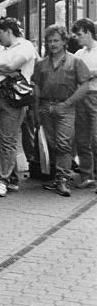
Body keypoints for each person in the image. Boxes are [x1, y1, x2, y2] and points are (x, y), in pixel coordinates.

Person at [0, 17, 38, 197]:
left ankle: (3, 180)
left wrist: (0, 67)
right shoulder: (0, 49)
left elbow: (12, 65)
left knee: (8, 140)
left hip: (13, 98)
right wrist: (6, 69)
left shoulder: (26, 46)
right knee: (0, 140)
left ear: (8, 31)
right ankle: (12, 179)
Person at [32, 24, 89, 197]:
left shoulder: (75, 61)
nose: (53, 44)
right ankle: (57, 177)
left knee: (64, 143)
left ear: (64, 41)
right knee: (52, 144)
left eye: (56, 40)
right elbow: (36, 87)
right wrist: (35, 111)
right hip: (45, 107)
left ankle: (63, 179)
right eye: (49, 41)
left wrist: (69, 103)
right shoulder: (41, 63)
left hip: (66, 107)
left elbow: (85, 85)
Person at [70, 18, 97, 190]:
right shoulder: (79, 54)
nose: (78, 39)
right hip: (81, 97)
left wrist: (87, 74)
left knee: (96, 138)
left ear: (88, 32)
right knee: (82, 139)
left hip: (95, 96)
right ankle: (87, 175)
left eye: (80, 34)